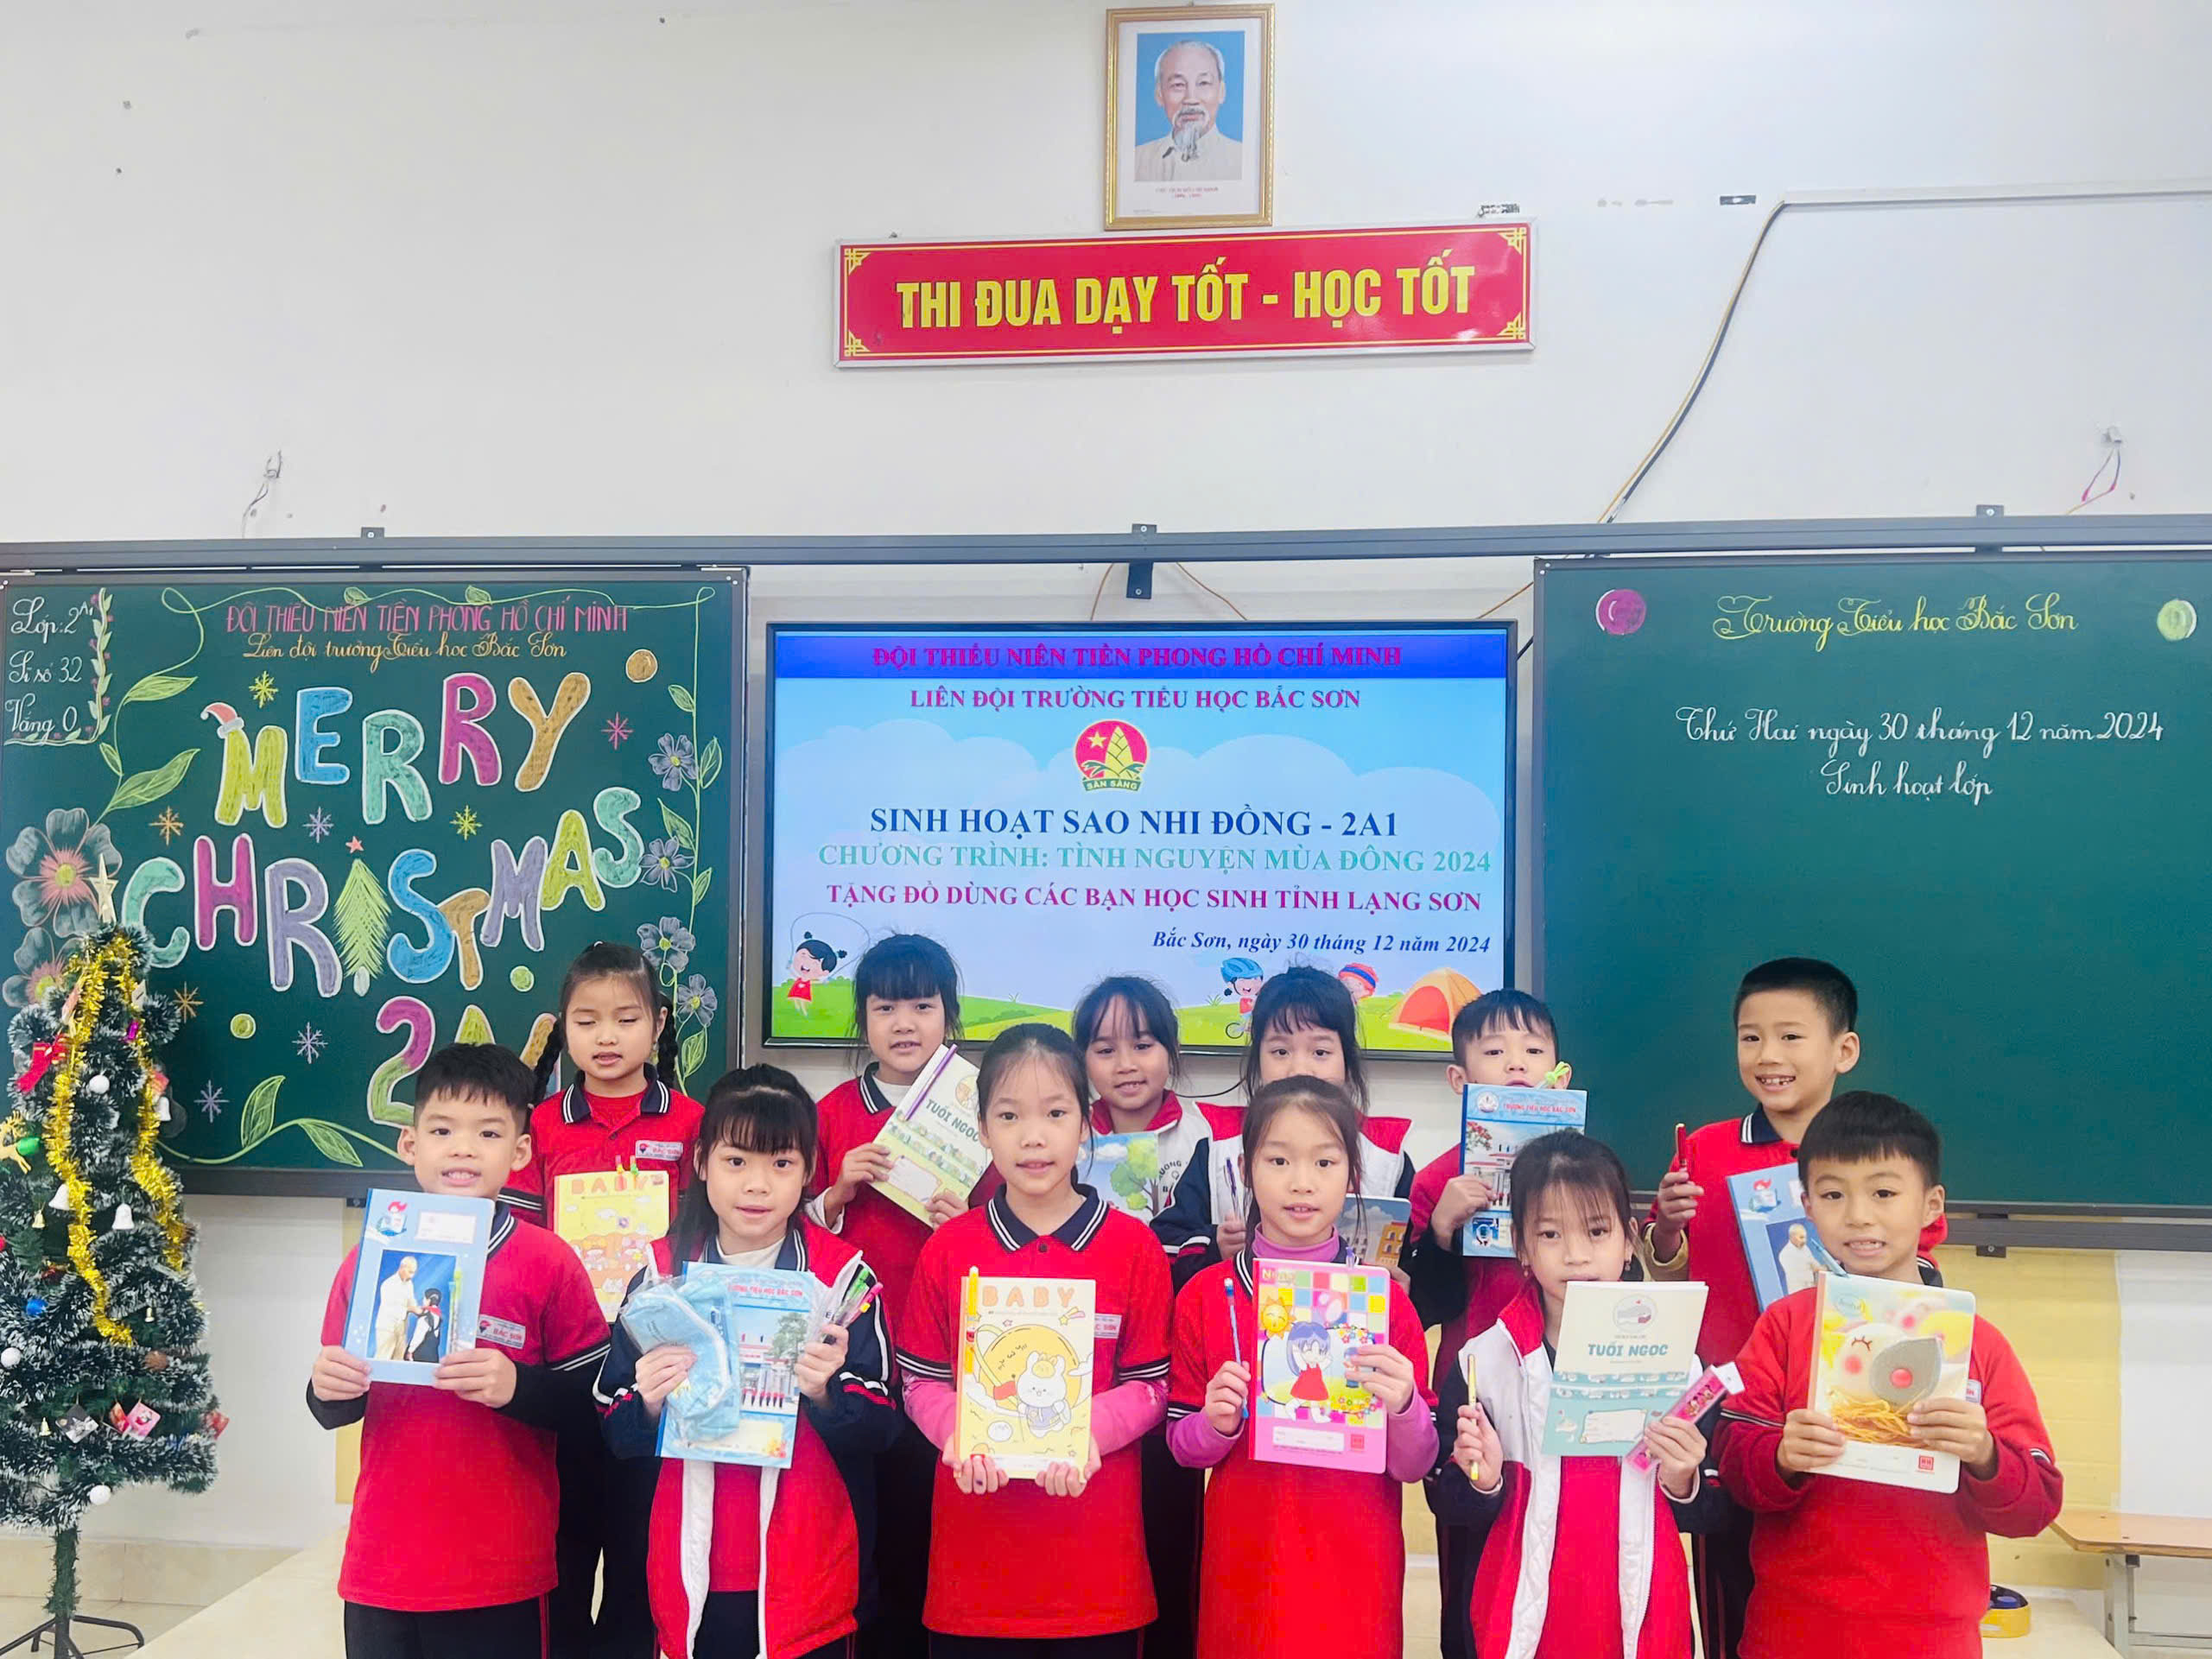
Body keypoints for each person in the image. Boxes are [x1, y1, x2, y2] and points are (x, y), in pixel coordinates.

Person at [1641, 957, 1947, 1659]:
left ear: (1843, 1049)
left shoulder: (1879, 1153)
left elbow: (1921, 1274)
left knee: (1830, 1573)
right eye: (1750, 1037)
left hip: (1846, 1401)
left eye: (1789, 1036)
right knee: (1730, 1583)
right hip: (1735, 1405)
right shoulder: (1706, 1149)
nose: (1767, 1055)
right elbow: (1668, 1272)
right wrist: (1665, 1227)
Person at [1718, 1094, 2063, 1658]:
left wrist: (1984, 1454)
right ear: (1805, 1205)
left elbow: (2038, 1503)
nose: (1858, 1215)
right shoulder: (1784, 1326)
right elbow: (1734, 1464)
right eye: (1833, 1194)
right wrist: (1779, 1455)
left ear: (1931, 1205)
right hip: (1793, 1632)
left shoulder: (1977, 1344)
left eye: (1883, 1193)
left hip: (1932, 1638)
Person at [308, 1044, 608, 1659]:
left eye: (488, 1133)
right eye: (442, 1130)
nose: (463, 1149)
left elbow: (595, 1406)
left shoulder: (548, 1261)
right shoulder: (369, 1260)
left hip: (502, 1568)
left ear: (519, 1153)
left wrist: (518, 1387)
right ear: (410, 1143)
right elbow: (333, 1407)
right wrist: (326, 1388)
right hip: (383, 1563)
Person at [598, 1067, 902, 1659]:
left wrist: (826, 1393)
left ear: (808, 1172)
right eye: (736, 1161)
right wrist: (649, 1400)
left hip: (808, 1579)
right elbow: (612, 1420)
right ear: (702, 1162)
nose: (757, 1185)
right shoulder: (661, 1275)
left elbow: (885, 1425)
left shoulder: (842, 1279)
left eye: (781, 1163)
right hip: (688, 1577)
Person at [897, 1024, 1172, 1656]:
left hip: (1097, 1572)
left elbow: (1152, 1388)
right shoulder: (949, 1248)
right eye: (1009, 1115)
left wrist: (1081, 1436)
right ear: (981, 1128)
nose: (1033, 1136)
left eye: (1054, 1113)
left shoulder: (1134, 1247)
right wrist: (961, 1433)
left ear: (1085, 1122)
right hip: (975, 1574)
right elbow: (919, 1382)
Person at [1429, 1130, 1727, 1659]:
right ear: (1521, 1245)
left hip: (1637, 1608)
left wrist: (1684, 1479)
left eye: (1596, 1231)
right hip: (1522, 1614)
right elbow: (1448, 1503)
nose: (1575, 1255)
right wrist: (1483, 1480)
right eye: (1549, 1234)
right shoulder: (1483, 1362)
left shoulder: (1680, 1364)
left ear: (1629, 1239)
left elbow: (1708, 1513)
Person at [1167, 1078, 1436, 1658]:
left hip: (1355, 1574)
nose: (1301, 1182)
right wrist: (1214, 1424)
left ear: (1352, 1174)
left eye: (1324, 1161)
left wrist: (1404, 1406)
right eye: (1279, 1160)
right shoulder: (1205, 1296)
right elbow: (1183, 1448)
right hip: (1247, 1572)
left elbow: (1414, 1463)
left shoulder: (1385, 1304)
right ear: (1245, 1169)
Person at [505, 941, 707, 1659]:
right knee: (560, 1553)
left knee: (637, 1554)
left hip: (652, 1374)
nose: (607, 1036)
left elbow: (709, 1241)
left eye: (626, 1018)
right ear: (563, 1028)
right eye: (586, 1021)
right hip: (563, 1368)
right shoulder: (539, 1127)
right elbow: (518, 1243)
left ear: (658, 1023)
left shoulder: (693, 1122)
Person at [808, 933, 984, 1659]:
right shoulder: (833, 1110)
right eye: (885, 1007)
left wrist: (969, 1224)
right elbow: (789, 1227)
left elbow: (1012, 1226)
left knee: (930, 1529)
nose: (904, 1023)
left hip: (945, 1357)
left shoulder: (980, 1107)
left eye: (922, 1005)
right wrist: (836, 1191)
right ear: (863, 1018)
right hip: (853, 1358)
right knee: (858, 1530)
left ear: (948, 1013)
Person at [1398, 991, 1567, 1659]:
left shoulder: (1580, 1171)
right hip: (1470, 1391)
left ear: (1558, 1070)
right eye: (1494, 1051)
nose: (1516, 1064)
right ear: (1459, 1077)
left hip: (1562, 1383)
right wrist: (1442, 1228)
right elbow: (1422, 1308)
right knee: (1469, 1552)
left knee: (1561, 1545)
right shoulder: (1438, 1178)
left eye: (1533, 1050)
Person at [1074, 975, 1229, 1659]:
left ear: (1171, 1050)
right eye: (1104, 1048)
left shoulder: (1213, 1135)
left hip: (1178, 1369)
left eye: (1142, 1044)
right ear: (1082, 1059)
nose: (1126, 1064)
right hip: (1087, 1370)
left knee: (1170, 1530)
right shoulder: (1065, 1130)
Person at [1153, 966, 1413, 1290]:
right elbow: (1164, 1245)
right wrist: (1214, 1243)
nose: (1299, 1068)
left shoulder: (1385, 1154)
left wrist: (1403, 1289)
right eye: (1280, 1052)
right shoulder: (1219, 1146)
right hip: (1243, 1312)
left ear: (1347, 1059)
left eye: (1320, 1052)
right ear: (1257, 1058)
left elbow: (1412, 1265)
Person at [1132, 40, 1244, 182]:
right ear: (1159, 95)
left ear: (1221, 92)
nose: (1191, 99)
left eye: (1203, 83)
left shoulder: (1243, 161)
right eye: (1178, 85)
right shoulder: (1136, 162)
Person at [372, 1256, 422, 1362]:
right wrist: (410, 1309)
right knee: (383, 1358)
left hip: (401, 1328)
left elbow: (411, 1300)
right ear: (402, 1267)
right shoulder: (388, 1284)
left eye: (414, 1273)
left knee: (399, 1359)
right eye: (410, 1272)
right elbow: (390, 1308)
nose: (412, 1276)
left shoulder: (409, 1284)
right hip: (387, 1328)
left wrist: (419, 1309)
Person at [405, 1289, 444, 1365]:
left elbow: (418, 1336)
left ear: (428, 1300)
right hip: (433, 1356)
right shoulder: (438, 1315)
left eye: (424, 1298)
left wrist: (410, 1351)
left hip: (421, 1356)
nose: (423, 1301)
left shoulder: (426, 1317)